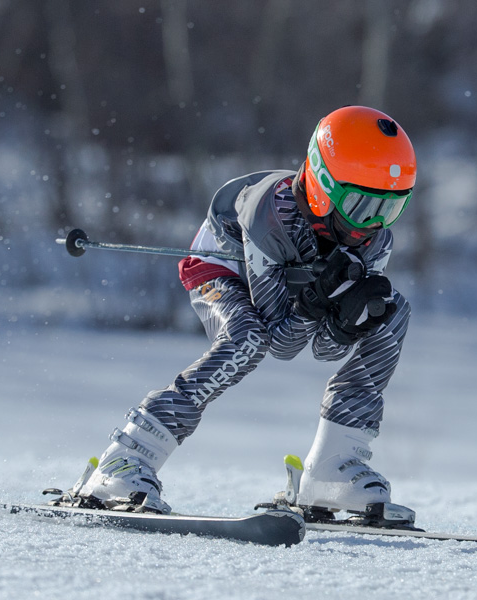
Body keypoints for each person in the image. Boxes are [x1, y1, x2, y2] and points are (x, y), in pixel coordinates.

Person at [64, 105, 415, 516]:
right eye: (360, 206)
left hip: (288, 288)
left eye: (389, 209)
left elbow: (324, 351)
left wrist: (346, 323)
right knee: (245, 341)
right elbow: (278, 342)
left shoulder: (374, 241)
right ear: (323, 182)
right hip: (220, 269)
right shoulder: (270, 216)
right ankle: (128, 456)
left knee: (393, 314)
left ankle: (334, 467)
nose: (369, 226)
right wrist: (315, 304)